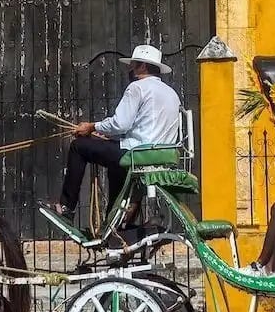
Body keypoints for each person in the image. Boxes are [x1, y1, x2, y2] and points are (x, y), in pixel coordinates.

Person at [45, 44, 182, 221]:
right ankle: (116, 222)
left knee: (79, 146)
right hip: (158, 154)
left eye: (133, 64)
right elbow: (146, 127)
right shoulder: (171, 93)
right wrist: (110, 136)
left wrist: (92, 127)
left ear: (143, 66)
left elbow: (121, 123)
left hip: (137, 153)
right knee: (116, 166)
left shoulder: (137, 88)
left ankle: (66, 207)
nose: (130, 68)